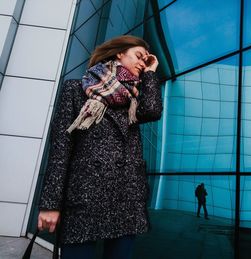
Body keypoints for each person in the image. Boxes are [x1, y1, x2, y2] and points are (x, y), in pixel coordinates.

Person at [37, 35, 163, 259]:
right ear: (119, 53)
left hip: (126, 199)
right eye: (139, 56)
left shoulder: (136, 99)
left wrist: (152, 71)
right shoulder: (76, 89)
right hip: (85, 198)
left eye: (146, 60)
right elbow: (61, 150)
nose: (143, 62)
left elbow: (152, 111)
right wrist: (50, 204)